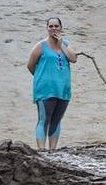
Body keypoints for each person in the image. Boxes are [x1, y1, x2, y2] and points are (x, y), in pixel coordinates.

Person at [26, 16, 76, 151]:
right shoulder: (40, 46)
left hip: (63, 89)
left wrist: (61, 44)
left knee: (56, 119)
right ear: (47, 28)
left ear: (61, 28)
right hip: (45, 89)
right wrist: (41, 78)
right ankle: (41, 149)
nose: (54, 29)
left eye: (56, 26)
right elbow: (30, 65)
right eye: (51, 26)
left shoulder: (66, 44)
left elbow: (73, 59)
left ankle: (53, 150)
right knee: (44, 119)